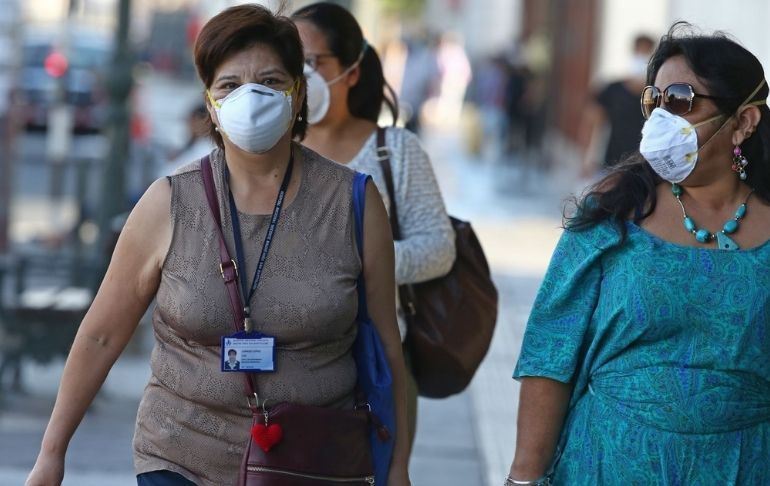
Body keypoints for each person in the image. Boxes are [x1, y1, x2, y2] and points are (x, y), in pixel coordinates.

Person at [25, 5, 411, 486]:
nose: (251, 96)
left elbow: (389, 354)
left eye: (271, 81)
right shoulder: (168, 203)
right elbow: (102, 334)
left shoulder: (353, 203)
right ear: (210, 102)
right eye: (230, 85)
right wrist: (50, 455)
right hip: (179, 457)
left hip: (313, 462)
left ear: (297, 96)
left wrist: (397, 468)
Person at [507, 23, 770, 485]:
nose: (660, 116)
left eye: (681, 101)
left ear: (745, 121)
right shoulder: (614, 209)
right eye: (655, 100)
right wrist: (523, 479)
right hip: (607, 461)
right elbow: (551, 352)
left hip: (744, 464)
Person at [291, 2, 456, 452]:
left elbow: (438, 248)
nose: (298, 74)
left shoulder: (394, 151)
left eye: (311, 62)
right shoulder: (271, 151)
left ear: (351, 71)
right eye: (288, 61)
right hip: (283, 364)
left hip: (374, 362)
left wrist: (352, 260)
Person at [579, 34, 656, 180]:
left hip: (644, 169)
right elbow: (592, 123)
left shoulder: (656, 94)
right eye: (640, 51)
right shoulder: (612, 89)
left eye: (647, 52)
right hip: (610, 166)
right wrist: (587, 159)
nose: (642, 57)